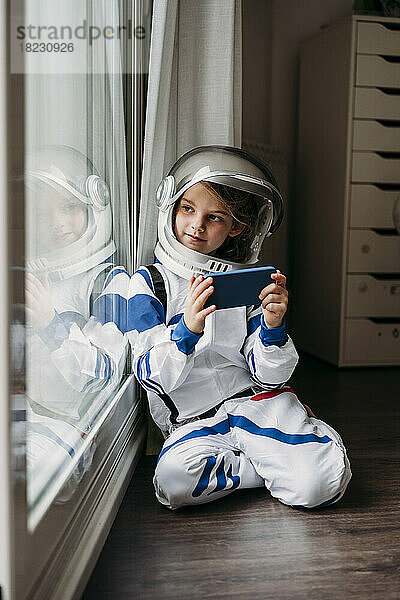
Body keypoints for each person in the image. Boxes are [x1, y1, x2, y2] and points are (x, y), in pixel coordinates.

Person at [129, 146, 352, 510]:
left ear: (237, 229)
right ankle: (271, 466)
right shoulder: (149, 283)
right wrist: (186, 330)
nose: (197, 225)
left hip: (259, 407)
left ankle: (295, 451)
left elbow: (270, 379)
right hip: (194, 422)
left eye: (215, 217)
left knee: (318, 488)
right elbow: (149, 376)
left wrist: (273, 327)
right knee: (173, 484)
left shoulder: (246, 285)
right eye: (188, 209)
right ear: (171, 207)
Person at [20, 145, 129, 503]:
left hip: (68, 429)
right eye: (42, 213)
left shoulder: (105, 283)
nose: (57, 222)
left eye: (69, 207)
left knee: (27, 483)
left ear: (94, 207)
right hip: (23, 411)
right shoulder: (31, 273)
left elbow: (104, 378)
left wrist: (51, 324)